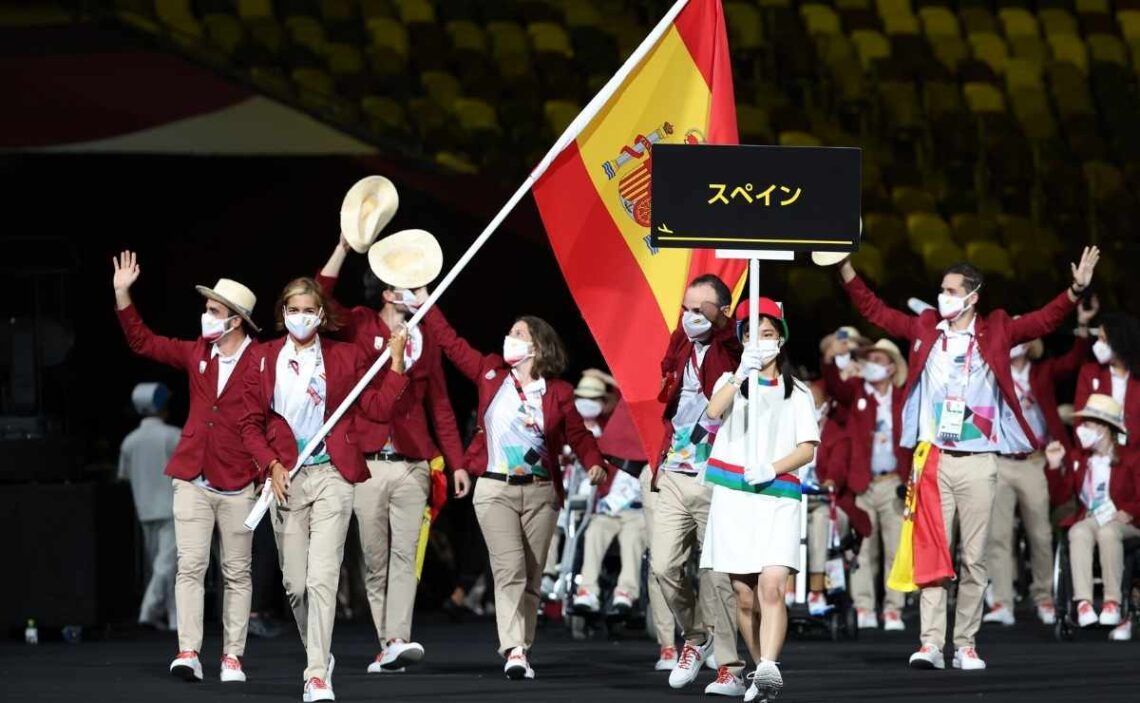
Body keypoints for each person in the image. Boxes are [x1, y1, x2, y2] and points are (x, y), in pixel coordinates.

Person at [835, 245, 1100, 670]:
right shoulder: (926, 328)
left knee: (973, 557)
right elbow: (876, 311)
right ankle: (929, 644)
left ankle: (965, 645)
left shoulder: (996, 330)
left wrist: (1074, 291)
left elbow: (1042, 320)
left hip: (979, 460)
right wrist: (846, 269)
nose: (943, 297)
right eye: (942, 290)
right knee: (933, 553)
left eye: (952, 291)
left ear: (973, 297)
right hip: (935, 459)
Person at [418, 294, 608, 680]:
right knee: (509, 570)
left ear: (537, 347)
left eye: (518, 334)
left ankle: (524, 645)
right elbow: (451, 343)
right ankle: (514, 649)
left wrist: (594, 463)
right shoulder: (490, 373)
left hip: (540, 492)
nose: (510, 338)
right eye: (510, 332)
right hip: (494, 489)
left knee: (532, 576)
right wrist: (426, 301)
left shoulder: (558, 392)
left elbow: (579, 435)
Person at [239, 277, 409, 703]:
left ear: (321, 314)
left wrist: (396, 363)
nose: (301, 317)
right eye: (293, 309)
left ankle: (316, 674)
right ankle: (320, 653)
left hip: (333, 473)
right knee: (296, 585)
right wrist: (271, 464)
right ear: (283, 313)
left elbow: (377, 408)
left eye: (308, 310)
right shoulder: (262, 357)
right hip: (286, 479)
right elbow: (249, 425)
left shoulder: (345, 356)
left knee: (321, 579)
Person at [317, 234, 466, 673]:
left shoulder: (428, 338)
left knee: (405, 555)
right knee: (375, 559)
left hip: (413, 462)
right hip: (367, 463)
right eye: (405, 284)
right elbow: (319, 299)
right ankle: (386, 642)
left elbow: (441, 404)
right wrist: (342, 249)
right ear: (386, 292)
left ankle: (397, 638)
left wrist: (456, 462)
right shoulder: (360, 324)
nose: (413, 291)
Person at [113, 250, 262, 683]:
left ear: (235, 320)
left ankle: (232, 657)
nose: (206, 316)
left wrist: (269, 464)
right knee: (190, 565)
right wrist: (123, 295)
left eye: (214, 311)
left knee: (236, 573)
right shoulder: (197, 351)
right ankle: (188, 651)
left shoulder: (262, 360)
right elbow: (143, 342)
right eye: (207, 308)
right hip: (193, 476)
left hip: (239, 480)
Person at [702, 297, 820, 703]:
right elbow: (712, 412)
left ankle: (769, 664)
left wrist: (772, 467)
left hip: (778, 496)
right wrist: (740, 373)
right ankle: (760, 671)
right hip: (734, 499)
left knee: (771, 587)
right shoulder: (731, 382)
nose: (760, 342)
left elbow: (807, 448)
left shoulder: (798, 392)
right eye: (751, 335)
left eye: (768, 334)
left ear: (781, 339)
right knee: (744, 595)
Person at [650, 274, 744, 695]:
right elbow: (669, 385)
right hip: (675, 469)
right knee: (663, 566)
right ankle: (695, 635)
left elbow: (734, 340)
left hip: (714, 473)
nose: (690, 317)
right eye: (686, 309)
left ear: (722, 311)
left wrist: (719, 322)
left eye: (700, 309)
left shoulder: (731, 346)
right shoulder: (681, 341)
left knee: (716, 575)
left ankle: (730, 667)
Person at [983, 301, 1097, 627]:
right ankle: (1002, 601)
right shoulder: (991, 373)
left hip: (1035, 462)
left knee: (1041, 534)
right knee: (997, 536)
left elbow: (1073, 361)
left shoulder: (1042, 371)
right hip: (1001, 460)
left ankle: (1044, 597)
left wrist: (1082, 326)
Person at [822, 337, 912, 631]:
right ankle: (864, 606)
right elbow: (835, 386)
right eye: (869, 359)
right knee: (863, 549)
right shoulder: (857, 392)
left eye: (878, 360)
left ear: (891, 367)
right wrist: (834, 359)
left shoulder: (903, 398)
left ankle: (894, 609)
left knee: (895, 549)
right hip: (863, 483)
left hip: (894, 483)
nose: (872, 364)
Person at [1045, 394, 1140, 638]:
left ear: (1104, 427)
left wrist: (1129, 511)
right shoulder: (1079, 458)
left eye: (1087, 423)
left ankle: (1112, 602)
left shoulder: (1131, 457)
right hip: (1091, 518)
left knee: (1108, 532)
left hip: (1125, 522)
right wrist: (1054, 466)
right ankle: (1083, 603)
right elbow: (1060, 497)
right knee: (1078, 531)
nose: (1082, 429)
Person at [574, 374, 649, 617]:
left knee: (633, 536)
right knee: (594, 529)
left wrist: (604, 377)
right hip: (608, 511)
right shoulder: (608, 439)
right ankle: (587, 591)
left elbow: (624, 394)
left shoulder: (647, 443)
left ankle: (625, 592)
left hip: (637, 512)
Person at [804, 381, 872, 618]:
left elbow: (837, 471)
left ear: (825, 405)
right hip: (796, 502)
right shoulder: (787, 430)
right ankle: (786, 590)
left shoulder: (836, 434)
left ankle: (816, 590)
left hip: (828, 505)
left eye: (814, 403)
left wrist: (829, 483)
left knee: (820, 519)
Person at [119, 382, 180, 632]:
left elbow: (124, 475)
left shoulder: (129, 441)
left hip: (145, 509)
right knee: (166, 565)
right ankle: (149, 610)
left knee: (164, 564)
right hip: (172, 507)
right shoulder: (172, 435)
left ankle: (175, 619)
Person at [1075, 312, 1140, 461]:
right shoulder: (1089, 373)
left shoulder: (1136, 380)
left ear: (1120, 342)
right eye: (1098, 338)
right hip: (1097, 457)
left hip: (1134, 462)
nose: (1098, 345)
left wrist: (1120, 442)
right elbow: (1080, 420)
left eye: (1103, 339)